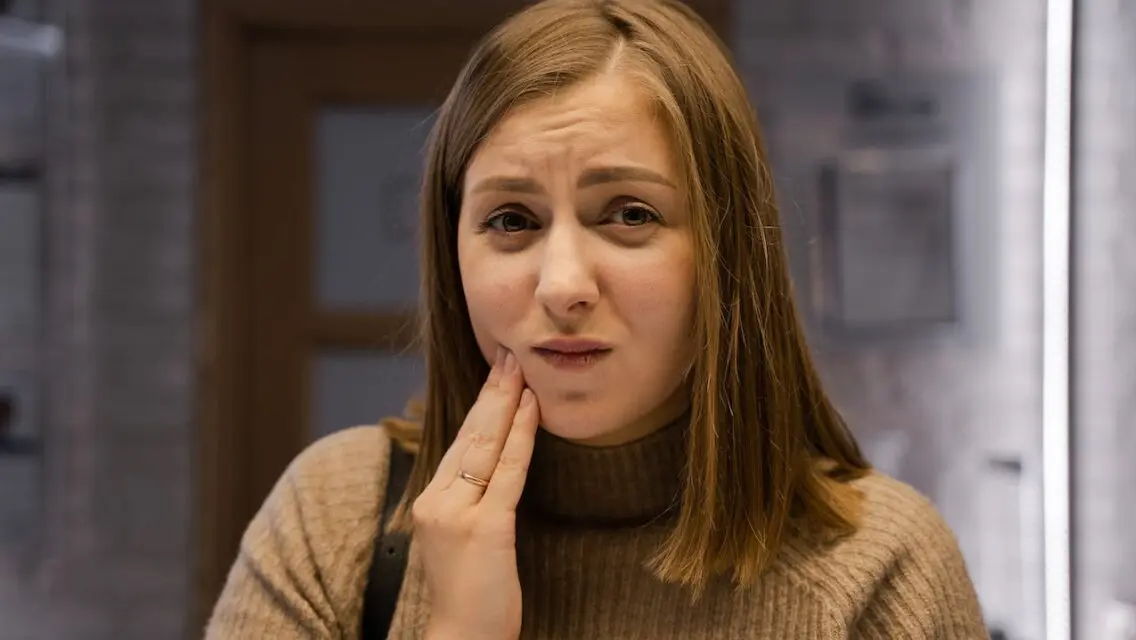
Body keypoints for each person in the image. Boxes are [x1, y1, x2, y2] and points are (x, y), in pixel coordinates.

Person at [206, 0, 989, 637]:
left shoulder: (880, 568)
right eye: (511, 220)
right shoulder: (333, 521)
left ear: (726, 252)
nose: (563, 284)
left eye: (629, 214)